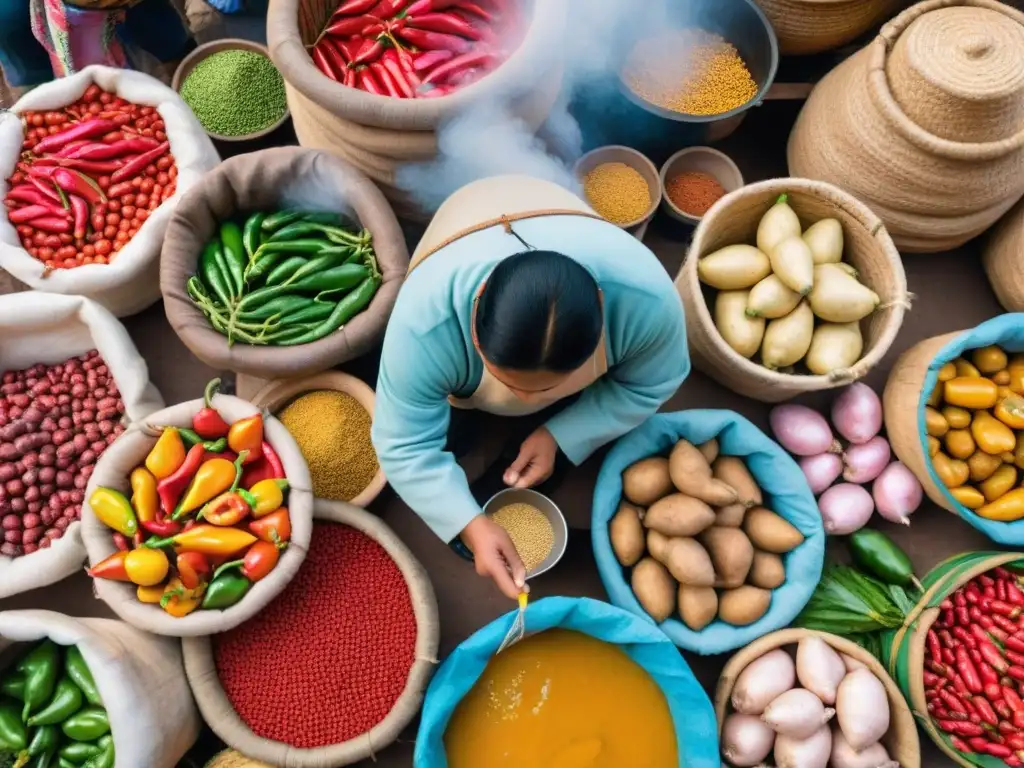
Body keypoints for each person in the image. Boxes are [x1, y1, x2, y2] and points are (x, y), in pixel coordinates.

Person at [372, 174, 689, 600]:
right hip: (474, 208)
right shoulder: (424, 326)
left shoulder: (646, 301)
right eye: (510, 383)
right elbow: (405, 444)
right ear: (475, 330)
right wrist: (469, 523)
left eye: (551, 388)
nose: (528, 401)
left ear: (600, 305)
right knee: (452, 435)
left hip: (556, 215)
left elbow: (653, 382)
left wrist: (563, 431)